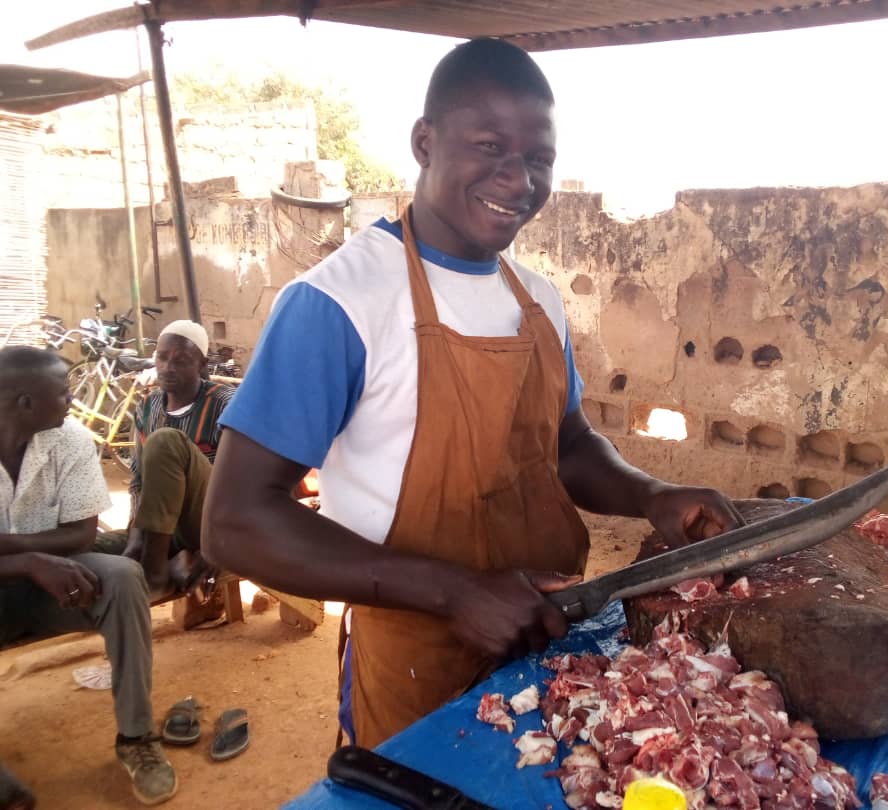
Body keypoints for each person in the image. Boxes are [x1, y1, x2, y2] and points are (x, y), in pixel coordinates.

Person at [203, 38, 742, 749]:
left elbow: (569, 444)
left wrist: (649, 493)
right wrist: (455, 592)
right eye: (490, 147)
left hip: (549, 639)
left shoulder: (539, 299)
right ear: (425, 142)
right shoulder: (339, 302)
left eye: (538, 159)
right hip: (415, 670)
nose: (518, 179)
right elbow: (235, 519)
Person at [0, 346, 177, 806]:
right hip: (28, 580)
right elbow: (57, 544)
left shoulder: (71, 439)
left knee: (120, 574)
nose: (72, 402)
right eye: (62, 394)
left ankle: (136, 738)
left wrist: (15, 552)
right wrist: (30, 561)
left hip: (60, 587)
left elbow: (79, 536)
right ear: (25, 404)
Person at [116, 320, 234, 602]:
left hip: (210, 522)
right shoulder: (148, 406)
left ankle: (155, 573)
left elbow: (241, 482)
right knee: (94, 547)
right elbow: (137, 480)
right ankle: (169, 559)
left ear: (201, 364)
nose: (168, 367)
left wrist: (217, 547)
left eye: (182, 360)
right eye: (162, 357)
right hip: (164, 528)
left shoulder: (225, 404)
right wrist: (134, 541)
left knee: (166, 442)